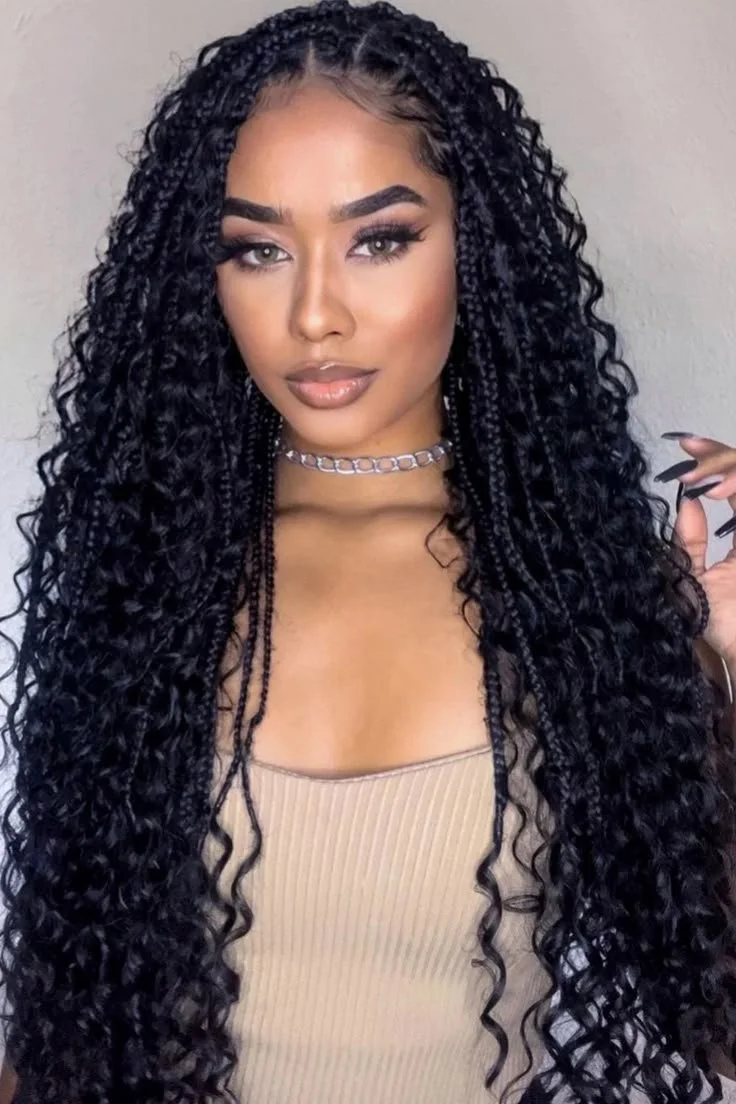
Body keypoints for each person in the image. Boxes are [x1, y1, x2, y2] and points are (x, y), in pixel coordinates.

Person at [0, 0, 735, 1100]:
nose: (314, 314)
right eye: (254, 249)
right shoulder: (145, 581)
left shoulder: (594, 601)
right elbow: (63, 1025)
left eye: (379, 239)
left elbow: (718, 1028)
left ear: (474, 245)